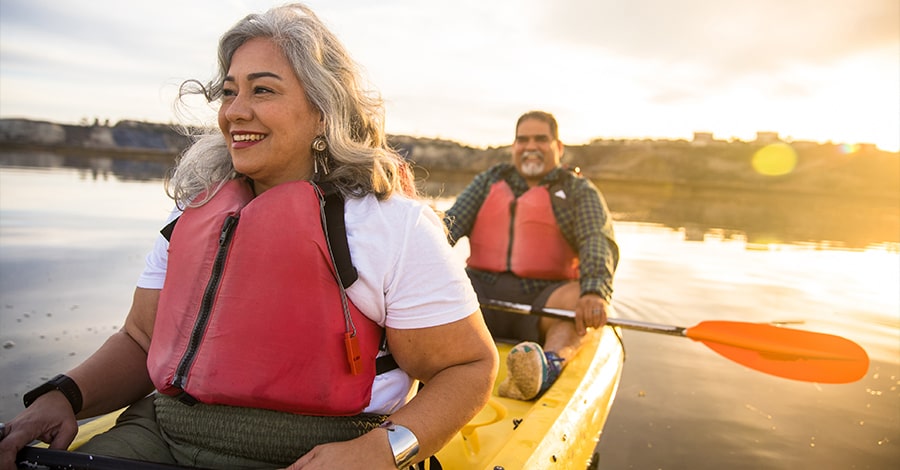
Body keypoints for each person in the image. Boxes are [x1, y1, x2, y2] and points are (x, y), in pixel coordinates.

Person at [0, 4, 498, 469]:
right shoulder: (194, 212)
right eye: (229, 91)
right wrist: (63, 396)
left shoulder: (391, 226)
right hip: (166, 435)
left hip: (323, 449)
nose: (234, 111)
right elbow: (140, 339)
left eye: (262, 90)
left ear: (324, 110)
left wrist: (382, 450)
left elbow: (468, 366)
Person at [443, 110, 618, 401]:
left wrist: (595, 291)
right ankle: (429, 362)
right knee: (438, 282)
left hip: (544, 300)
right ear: (514, 147)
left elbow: (596, 239)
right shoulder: (489, 181)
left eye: (541, 139)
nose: (530, 146)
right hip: (480, 296)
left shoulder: (577, 191)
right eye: (522, 140)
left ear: (558, 147)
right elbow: (449, 227)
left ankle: (548, 364)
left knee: (577, 299)